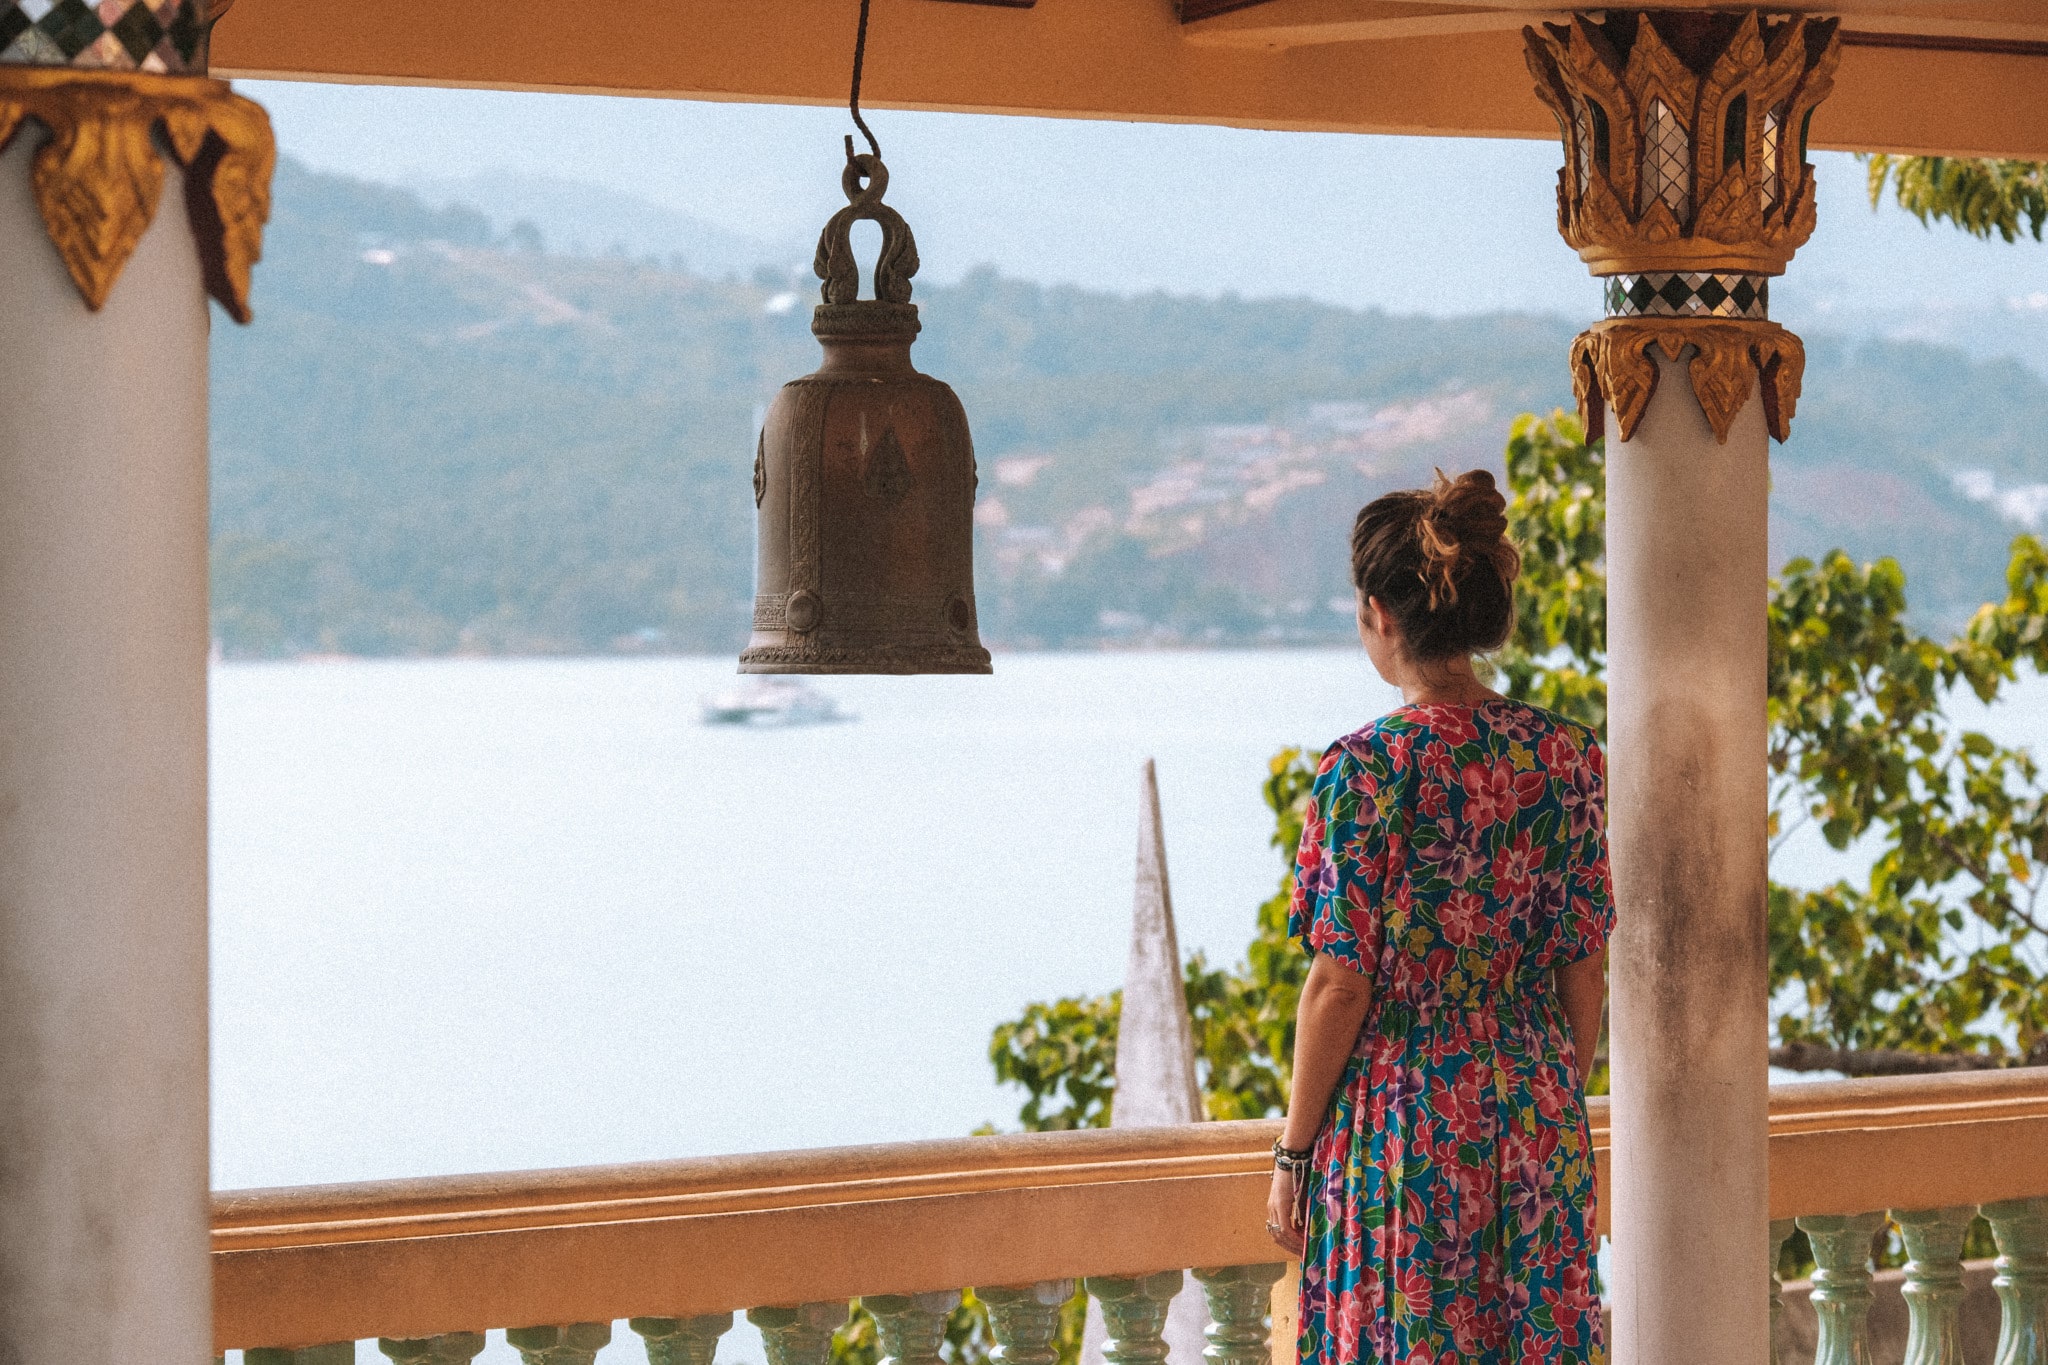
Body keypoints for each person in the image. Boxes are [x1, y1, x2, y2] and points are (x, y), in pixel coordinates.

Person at [1264, 469, 1611, 1365]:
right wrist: (1546, 1100)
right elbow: (1584, 965)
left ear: (1379, 613)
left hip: (1406, 1125)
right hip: (1537, 1112)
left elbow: (1339, 984)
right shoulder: (1567, 757)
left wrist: (1294, 1153)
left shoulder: (1366, 773)